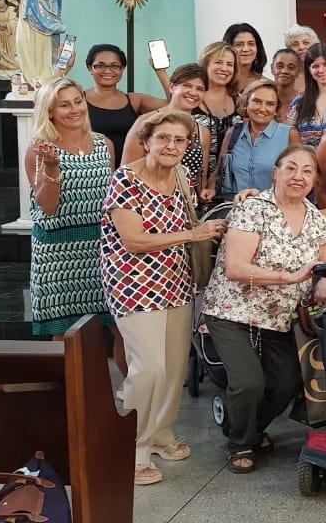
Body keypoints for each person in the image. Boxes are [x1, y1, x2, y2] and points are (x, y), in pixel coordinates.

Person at [101, 110, 227, 485]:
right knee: (149, 367)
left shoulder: (182, 175)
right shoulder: (125, 180)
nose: (172, 146)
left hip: (175, 281)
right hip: (133, 283)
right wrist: (193, 235)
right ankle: (132, 447)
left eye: (179, 140)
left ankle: (160, 432)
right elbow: (133, 240)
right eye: (163, 138)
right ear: (146, 141)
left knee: (172, 366)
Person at [203, 145, 326, 473]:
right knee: (248, 383)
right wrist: (287, 277)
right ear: (275, 173)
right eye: (290, 168)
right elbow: (235, 268)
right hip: (232, 312)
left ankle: (245, 427)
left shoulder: (316, 218)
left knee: (286, 384)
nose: (298, 176)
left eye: (307, 171)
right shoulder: (253, 208)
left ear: (315, 180)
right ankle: (240, 443)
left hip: (278, 318)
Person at [26, 78, 116, 338]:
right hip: (58, 253)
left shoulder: (104, 144)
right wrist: (52, 169)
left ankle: (126, 370)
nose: (75, 109)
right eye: (64, 105)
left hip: (101, 248)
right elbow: (47, 207)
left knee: (121, 328)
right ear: (49, 112)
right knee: (65, 332)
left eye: (78, 101)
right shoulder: (39, 150)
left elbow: (111, 197)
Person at [205, 80, 300, 202]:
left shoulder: (290, 134)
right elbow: (218, 172)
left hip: (274, 207)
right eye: (256, 101)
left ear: (276, 109)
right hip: (236, 207)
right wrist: (210, 189)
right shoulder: (233, 132)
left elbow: (298, 177)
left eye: (270, 104)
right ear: (246, 103)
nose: (262, 108)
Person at [122, 65, 211, 192]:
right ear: (172, 87)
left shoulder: (202, 132)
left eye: (200, 89)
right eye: (187, 85)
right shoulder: (147, 122)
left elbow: (201, 179)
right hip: (148, 198)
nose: (193, 92)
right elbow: (127, 171)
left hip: (187, 200)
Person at [81, 44, 166, 164]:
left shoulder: (135, 100)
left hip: (127, 169)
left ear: (122, 69)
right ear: (90, 68)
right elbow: (50, 102)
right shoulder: (77, 99)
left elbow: (175, 105)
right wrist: (62, 70)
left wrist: (161, 72)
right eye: (100, 66)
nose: (107, 71)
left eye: (114, 66)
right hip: (88, 169)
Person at [196, 41, 241, 195]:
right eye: (218, 62)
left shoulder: (240, 101)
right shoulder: (193, 97)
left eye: (230, 64)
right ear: (206, 64)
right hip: (196, 185)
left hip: (233, 186)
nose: (224, 68)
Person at [223, 23, 267, 88]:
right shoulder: (219, 80)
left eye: (251, 44)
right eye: (239, 44)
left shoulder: (265, 85)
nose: (245, 49)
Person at [282, 25, 319, 95]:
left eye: (306, 43)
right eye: (295, 44)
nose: (301, 47)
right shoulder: (285, 75)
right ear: (289, 50)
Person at [270, 48, 302, 116]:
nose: (284, 71)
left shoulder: (305, 103)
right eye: (280, 66)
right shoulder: (262, 99)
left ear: (298, 72)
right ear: (272, 68)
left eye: (291, 67)